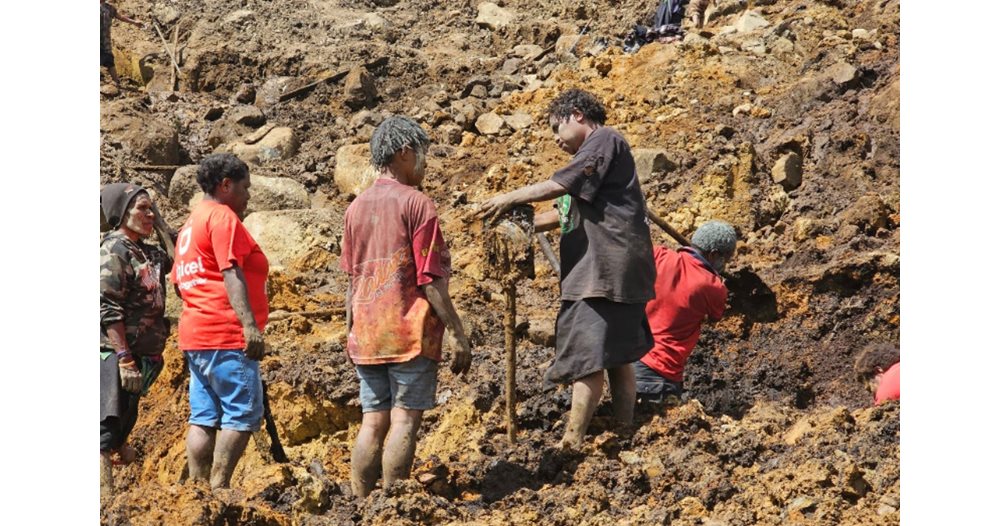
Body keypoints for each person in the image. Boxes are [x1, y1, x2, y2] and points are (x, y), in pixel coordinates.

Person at [480, 89, 656, 449]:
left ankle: (572, 442)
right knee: (618, 354)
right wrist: (520, 225)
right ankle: (624, 428)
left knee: (588, 358)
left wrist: (509, 197)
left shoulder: (603, 139)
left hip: (602, 271)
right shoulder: (599, 162)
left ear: (576, 114)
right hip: (619, 267)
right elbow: (563, 215)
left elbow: (562, 184)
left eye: (556, 130)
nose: (556, 141)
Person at [341, 115, 473, 499]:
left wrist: (350, 331)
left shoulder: (355, 208)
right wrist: (459, 335)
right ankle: (393, 502)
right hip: (407, 333)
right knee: (404, 418)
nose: (425, 163)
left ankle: (362, 503)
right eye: (422, 154)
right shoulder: (417, 204)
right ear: (403, 153)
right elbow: (430, 279)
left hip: (366, 334)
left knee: (372, 422)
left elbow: (352, 281)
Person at [172, 153, 269, 489]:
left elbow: (177, 283)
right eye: (245, 187)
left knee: (203, 418)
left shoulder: (190, 223)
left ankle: (197, 492)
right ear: (226, 185)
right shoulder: (222, 217)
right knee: (242, 415)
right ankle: (219, 486)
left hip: (195, 336)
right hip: (224, 335)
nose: (248, 195)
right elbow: (230, 270)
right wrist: (248, 324)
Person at [100, 183, 172, 497]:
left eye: (151, 207)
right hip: (115, 356)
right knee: (104, 429)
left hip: (141, 355)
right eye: (142, 208)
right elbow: (107, 305)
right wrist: (124, 358)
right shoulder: (114, 249)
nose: (149, 213)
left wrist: (162, 226)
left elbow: (173, 256)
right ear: (122, 213)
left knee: (121, 426)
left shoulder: (147, 250)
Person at [633, 221, 737, 405]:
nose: (725, 265)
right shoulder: (713, 287)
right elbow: (716, 316)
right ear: (713, 254)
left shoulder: (658, 255)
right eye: (726, 259)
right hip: (660, 373)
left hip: (627, 363)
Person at [100, 0, 144, 88]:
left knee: (109, 59)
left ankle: (116, 82)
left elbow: (120, 17)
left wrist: (134, 22)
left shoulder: (110, 8)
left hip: (105, 40)